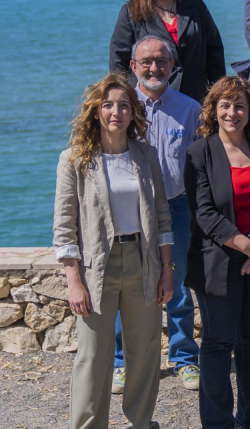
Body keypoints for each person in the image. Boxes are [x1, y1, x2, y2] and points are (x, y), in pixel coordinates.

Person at [53, 73, 173, 429]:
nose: (115, 112)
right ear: (95, 112)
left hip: (143, 262)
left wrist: (167, 269)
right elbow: (63, 227)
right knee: (93, 356)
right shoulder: (74, 159)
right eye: (107, 105)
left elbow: (163, 216)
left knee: (146, 351)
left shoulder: (146, 155)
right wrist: (73, 280)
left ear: (133, 112)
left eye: (123, 105)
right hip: (95, 269)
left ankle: (140, 421)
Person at [184, 76, 250, 429]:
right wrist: (247, 247)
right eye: (225, 104)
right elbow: (205, 213)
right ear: (213, 109)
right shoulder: (200, 151)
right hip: (218, 260)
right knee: (218, 343)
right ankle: (218, 422)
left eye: (239, 105)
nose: (232, 112)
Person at [112, 36, 202, 396]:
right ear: (133, 67)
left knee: (176, 284)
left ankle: (183, 357)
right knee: (125, 285)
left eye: (161, 61)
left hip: (176, 207)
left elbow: (200, 164)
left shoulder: (190, 109)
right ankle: (122, 361)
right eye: (146, 61)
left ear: (172, 65)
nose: (154, 68)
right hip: (130, 210)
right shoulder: (120, 106)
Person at [110, 0, 226, 102]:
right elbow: (119, 62)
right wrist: (128, 99)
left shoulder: (195, 4)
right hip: (149, 102)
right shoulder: (131, 11)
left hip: (195, 99)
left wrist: (218, 94)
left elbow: (214, 52)